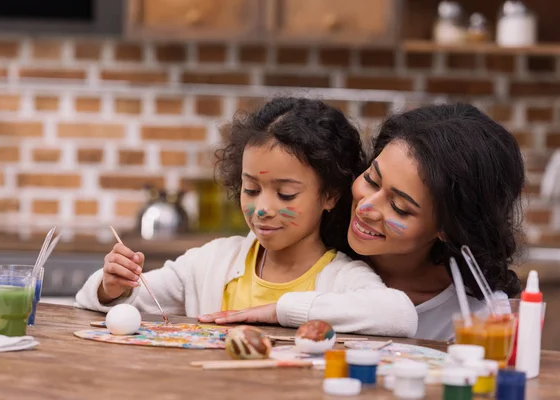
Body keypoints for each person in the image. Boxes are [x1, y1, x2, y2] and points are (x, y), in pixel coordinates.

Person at [75, 97, 418, 337]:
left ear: (329, 195)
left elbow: (399, 315)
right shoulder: (210, 263)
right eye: (251, 189)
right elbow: (119, 302)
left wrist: (278, 311)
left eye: (285, 194)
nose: (263, 208)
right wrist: (111, 287)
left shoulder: (341, 277)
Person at [346, 103, 524, 340]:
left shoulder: (481, 318)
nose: (366, 207)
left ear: (449, 228)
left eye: (399, 207)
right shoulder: (312, 246)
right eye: (371, 180)